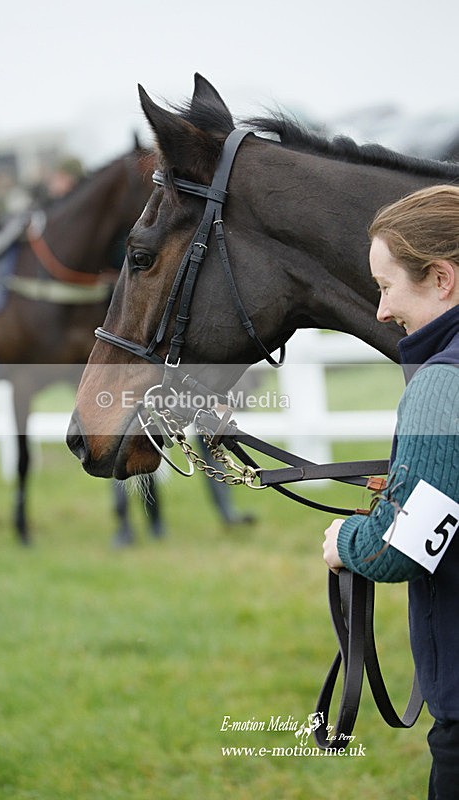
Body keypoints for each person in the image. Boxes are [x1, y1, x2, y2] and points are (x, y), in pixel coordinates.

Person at [322, 185, 459, 799]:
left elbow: (399, 549)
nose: (380, 311)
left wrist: (347, 541)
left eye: (385, 286)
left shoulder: (440, 386)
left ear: (440, 278)